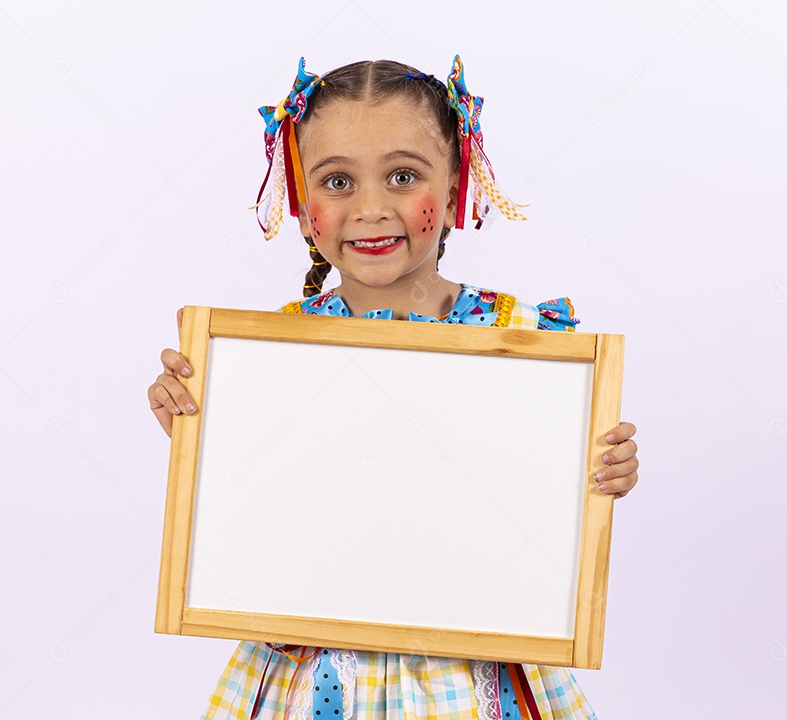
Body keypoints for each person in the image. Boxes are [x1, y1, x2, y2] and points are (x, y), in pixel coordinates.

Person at [147, 55, 640, 720]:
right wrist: (201, 432)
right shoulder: (268, 359)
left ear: (458, 181)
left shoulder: (524, 340)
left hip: (470, 674)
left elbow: (542, 504)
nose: (371, 208)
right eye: (338, 181)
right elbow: (259, 508)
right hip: (316, 676)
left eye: (403, 176)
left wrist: (600, 472)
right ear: (300, 200)